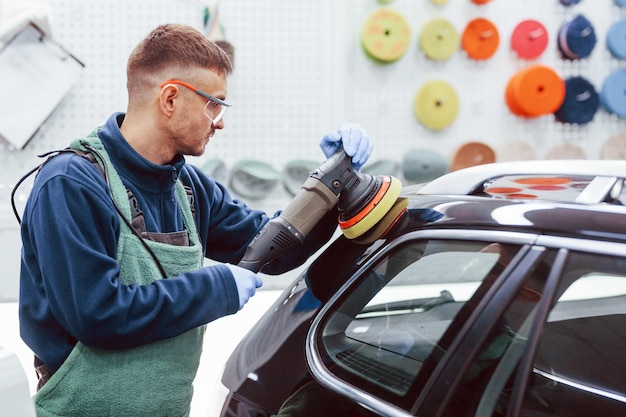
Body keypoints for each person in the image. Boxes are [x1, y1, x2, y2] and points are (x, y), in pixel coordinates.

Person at [18, 23, 373, 417]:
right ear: (170, 98)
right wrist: (214, 287)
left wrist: (331, 186)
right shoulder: (71, 184)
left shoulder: (187, 187)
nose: (219, 121)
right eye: (214, 104)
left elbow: (274, 249)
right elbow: (98, 315)